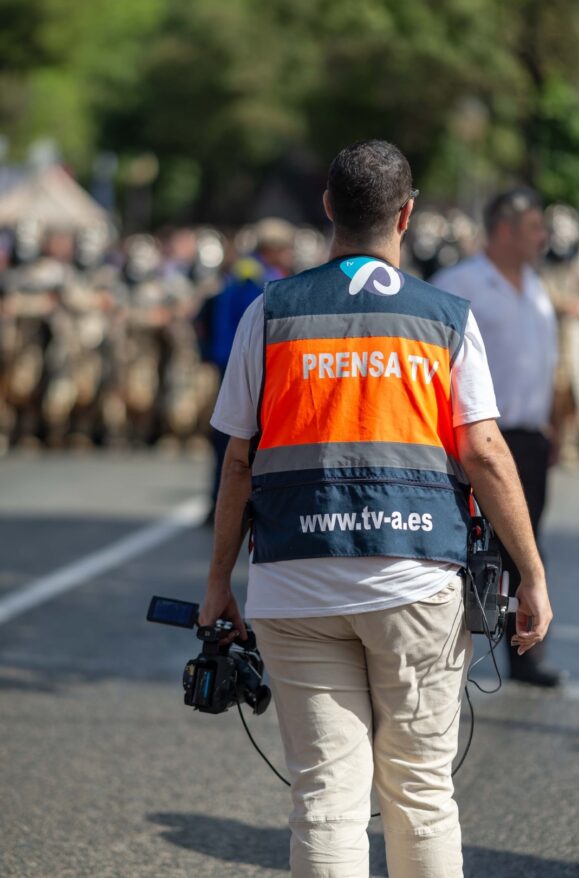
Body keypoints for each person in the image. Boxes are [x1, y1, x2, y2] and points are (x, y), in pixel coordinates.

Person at [199, 141, 553, 878]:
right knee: (421, 792)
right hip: (415, 580)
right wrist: (531, 572)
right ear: (407, 214)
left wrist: (217, 583)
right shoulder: (444, 316)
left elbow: (237, 461)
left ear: (328, 206)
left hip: (294, 581)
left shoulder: (270, 313)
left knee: (325, 798)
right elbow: (485, 453)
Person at [432, 188, 563, 688]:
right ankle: (446, 652)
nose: (542, 237)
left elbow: (547, 364)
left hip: (529, 437)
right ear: (505, 229)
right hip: (480, 437)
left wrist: (556, 425)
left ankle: (524, 652)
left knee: (527, 545)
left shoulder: (535, 285)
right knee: (471, 545)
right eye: (533, 227)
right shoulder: (459, 284)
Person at [196, 218, 295, 516]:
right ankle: (227, 504)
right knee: (239, 439)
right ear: (272, 249)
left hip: (228, 359)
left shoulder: (244, 270)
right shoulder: (259, 277)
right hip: (245, 363)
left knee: (229, 436)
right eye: (286, 248)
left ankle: (219, 500)